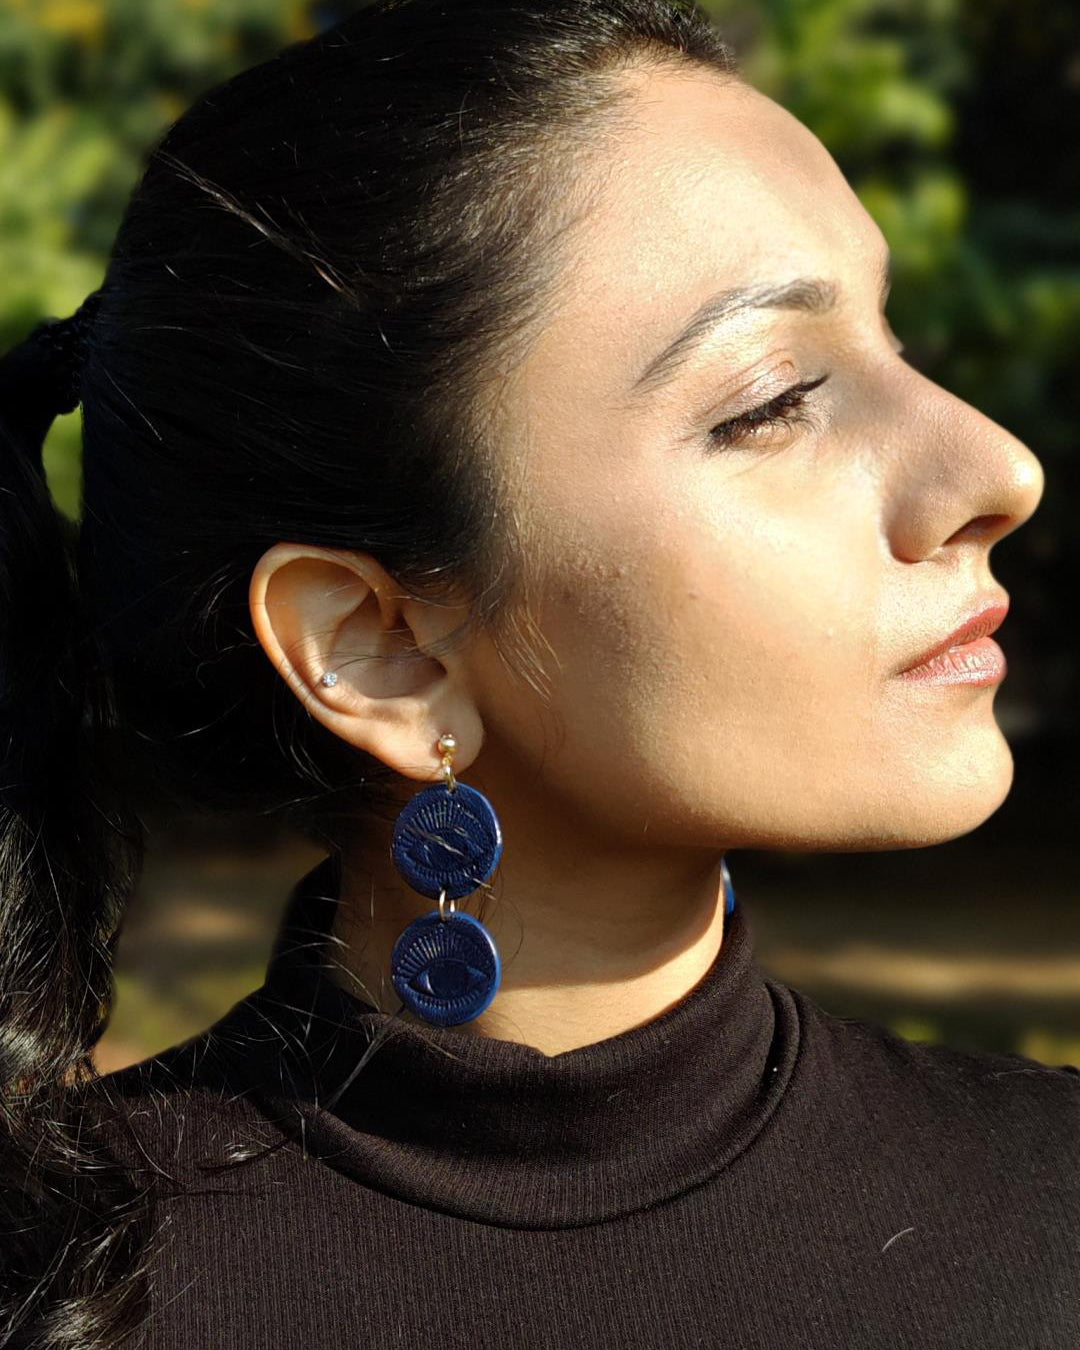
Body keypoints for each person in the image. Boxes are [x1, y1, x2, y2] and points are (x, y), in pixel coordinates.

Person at [0, 1, 1075, 1346]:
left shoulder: (1052, 1209)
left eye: (892, 340)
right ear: (380, 646)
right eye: (774, 400)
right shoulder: (66, 1298)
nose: (999, 467)